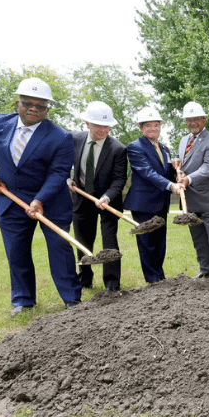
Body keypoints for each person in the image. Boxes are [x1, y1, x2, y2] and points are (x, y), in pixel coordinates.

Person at [0, 77, 82, 315]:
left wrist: (39, 200)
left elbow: (59, 172)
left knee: (60, 249)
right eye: (28, 103)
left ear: (47, 109)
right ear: (17, 103)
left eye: (40, 106)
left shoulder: (60, 137)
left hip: (51, 202)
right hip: (10, 201)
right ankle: (23, 300)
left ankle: (71, 298)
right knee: (16, 251)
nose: (33, 109)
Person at [67, 101, 127, 292]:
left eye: (106, 126)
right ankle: (85, 278)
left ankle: (112, 284)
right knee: (82, 241)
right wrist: (67, 179)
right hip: (82, 198)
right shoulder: (74, 139)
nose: (102, 130)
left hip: (108, 201)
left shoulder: (118, 148)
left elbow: (119, 179)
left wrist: (107, 197)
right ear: (87, 124)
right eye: (98, 126)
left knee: (109, 242)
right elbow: (61, 163)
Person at [123, 107, 185, 284]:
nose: (153, 129)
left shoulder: (164, 148)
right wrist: (170, 185)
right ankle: (152, 281)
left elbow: (165, 172)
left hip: (160, 203)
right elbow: (147, 172)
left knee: (159, 243)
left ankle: (160, 277)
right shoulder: (135, 147)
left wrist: (177, 174)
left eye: (156, 125)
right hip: (143, 204)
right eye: (148, 126)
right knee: (147, 243)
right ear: (141, 128)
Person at [177, 101, 209, 278]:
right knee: (198, 239)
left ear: (204, 120)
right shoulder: (184, 140)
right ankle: (205, 271)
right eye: (189, 119)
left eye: (197, 119)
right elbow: (185, 162)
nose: (193, 122)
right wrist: (177, 165)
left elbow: (208, 168)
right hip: (192, 200)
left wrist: (188, 178)